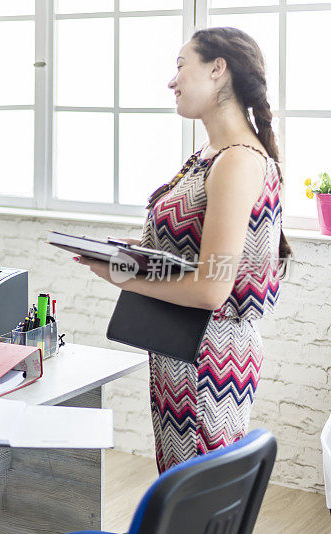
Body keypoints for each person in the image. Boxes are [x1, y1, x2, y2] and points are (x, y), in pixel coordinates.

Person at [74, 27, 290, 473]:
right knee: (185, 488)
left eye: (180, 66)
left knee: (191, 497)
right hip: (184, 350)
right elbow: (198, 249)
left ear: (217, 69)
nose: (172, 81)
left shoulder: (236, 161)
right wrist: (134, 251)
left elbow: (212, 288)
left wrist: (120, 273)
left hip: (207, 360)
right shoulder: (212, 153)